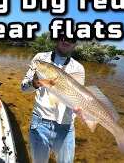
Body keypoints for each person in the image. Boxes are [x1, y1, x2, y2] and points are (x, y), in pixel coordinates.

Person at [21, 34, 85, 163]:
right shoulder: (40, 59)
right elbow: (23, 88)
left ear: (75, 44)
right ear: (57, 38)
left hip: (65, 127)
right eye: (64, 38)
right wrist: (34, 83)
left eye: (71, 40)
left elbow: (78, 97)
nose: (67, 42)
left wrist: (80, 110)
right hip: (39, 123)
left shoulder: (78, 68)